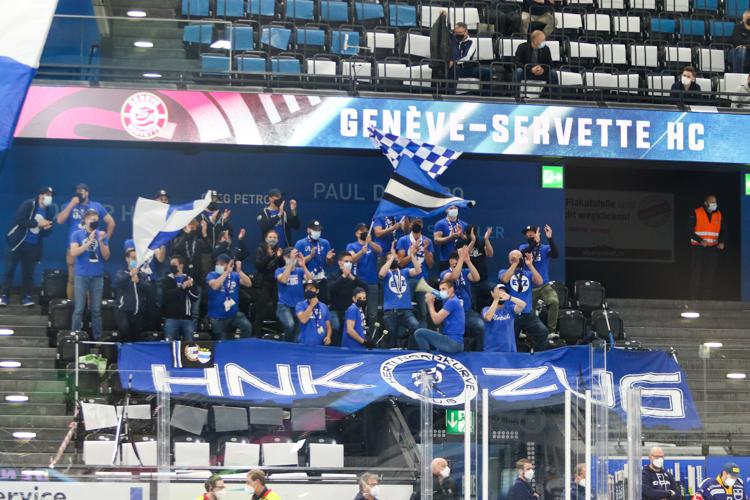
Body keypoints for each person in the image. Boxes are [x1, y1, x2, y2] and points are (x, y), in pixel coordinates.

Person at [56, 183, 115, 300]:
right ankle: (72, 305)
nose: (78, 193)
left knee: (89, 281)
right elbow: (59, 220)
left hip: (92, 248)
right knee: (72, 279)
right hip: (74, 247)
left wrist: (105, 240)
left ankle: (87, 309)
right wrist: (72, 204)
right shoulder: (69, 205)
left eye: (81, 191)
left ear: (87, 192)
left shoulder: (96, 206)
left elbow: (111, 222)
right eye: (76, 191)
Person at [1, 187, 54, 307]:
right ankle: (4, 295)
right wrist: (37, 223)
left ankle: (26, 297)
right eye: (47, 194)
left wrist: (46, 229)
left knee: (29, 273)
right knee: (9, 270)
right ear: (41, 195)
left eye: (51, 195)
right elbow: (20, 220)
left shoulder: (49, 211)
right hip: (18, 243)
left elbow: (46, 233)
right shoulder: (29, 204)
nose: (49, 197)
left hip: (33, 245)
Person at [69, 209, 110, 340]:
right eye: (92, 219)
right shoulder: (77, 234)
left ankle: (98, 338)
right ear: (85, 220)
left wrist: (101, 241)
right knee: (79, 308)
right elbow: (73, 252)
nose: (94, 221)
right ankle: (76, 336)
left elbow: (107, 256)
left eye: (96, 219)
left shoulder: (102, 235)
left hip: (97, 275)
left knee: (96, 310)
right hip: (81, 275)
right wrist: (88, 242)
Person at [499, 250, 548, 352]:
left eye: (519, 257)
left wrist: (530, 265)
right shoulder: (503, 272)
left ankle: (537, 356)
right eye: (514, 257)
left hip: (527, 313)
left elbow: (540, 282)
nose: (518, 259)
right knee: (511, 340)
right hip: (512, 314)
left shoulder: (528, 274)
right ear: (510, 260)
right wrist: (514, 264)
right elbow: (505, 280)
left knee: (543, 332)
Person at [170, 218, 212, 328]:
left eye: (194, 227)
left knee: (195, 311)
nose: (192, 229)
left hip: (197, 280)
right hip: (182, 280)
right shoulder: (179, 240)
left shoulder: (199, 242)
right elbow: (175, 250)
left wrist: (204, 233)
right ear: (184, 227)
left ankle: (192, 332)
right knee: (181, 308)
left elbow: (209, 249)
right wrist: (185, 234)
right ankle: (182, 331)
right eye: (190, 226)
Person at [518, 224, 559, 335]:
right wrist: (534, 242)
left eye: (532, 234)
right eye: (528, 235)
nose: (529, 236)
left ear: (538, 234)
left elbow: (555, 254)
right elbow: (523, 254)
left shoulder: (545, 248)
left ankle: (551, 331)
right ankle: (527, 332)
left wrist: (550, 238)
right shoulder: (523, 247)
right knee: (527, 310)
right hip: (529, 286)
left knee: (554, 301)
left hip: (544, 285)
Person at [379, 246, 422, 348]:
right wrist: (390, 260)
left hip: (406, 310)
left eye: (395, 258)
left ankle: (410, 348)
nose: (393, 259)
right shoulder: (386, 274)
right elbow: (381, 274)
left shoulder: (405, 271)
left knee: (416, 326)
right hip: (390, 310)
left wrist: (412, 256)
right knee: (391, 335)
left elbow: (418, 271)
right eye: (390, 259)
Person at [440, 246, 483, 346]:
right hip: (453, 314)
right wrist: (461, 258)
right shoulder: (445, 273)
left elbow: (477, 278)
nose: (458, 260)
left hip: (467, 312)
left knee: (480, 325)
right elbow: (454, 277)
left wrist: (468, 261)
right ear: (450, 261)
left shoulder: (464, 272)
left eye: (458, 258)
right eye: (455, 259)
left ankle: (478, 352)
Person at [205, 254, 253, 340]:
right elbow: (215, 286)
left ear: (228, 265)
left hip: (233, 314)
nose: (218, 266)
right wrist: (226, 272)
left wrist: (239, 271)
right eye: (217, 264)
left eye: (221, 264)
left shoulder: (234, 275)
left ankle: (242, 345)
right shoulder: (211, 275)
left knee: (247, 327)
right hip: (217, 316)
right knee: (222, 340)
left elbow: (248, 284)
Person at [396, 217, 433, 324]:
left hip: (423, 279)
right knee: (405, 309)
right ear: (410, 225)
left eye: (419, 222)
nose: (417, 224)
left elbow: (430, 264)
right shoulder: (403, 240)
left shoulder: (427, 241)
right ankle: (406, 332)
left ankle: (423, 332)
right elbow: (400, 263)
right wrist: (412, 254)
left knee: (424, 311)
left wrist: (425, 250)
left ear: (422, 225)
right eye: (415, 222)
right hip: (407, 279)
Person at [346, 223, 382, 332]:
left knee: (373, 313)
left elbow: (380, 250)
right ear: (357, 233)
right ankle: (358, 334)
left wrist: (369, 242)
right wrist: (362, 251)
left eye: (366, 230)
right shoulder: (351, 246)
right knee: (357, 310)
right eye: (362, 230)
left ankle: (372, 337)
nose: (365, 232)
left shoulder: (372, 244)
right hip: (358, 283)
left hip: (372, 282)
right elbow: (352, 260)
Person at [689, 195, 726, 300]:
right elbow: (688, 230)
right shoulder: (696, 212)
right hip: (698, 249)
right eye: (712, 202)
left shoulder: (718, 214)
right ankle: (693, 299)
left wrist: (722, 241)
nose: (714, 204)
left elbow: (724, 230)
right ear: (706, 203)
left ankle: (707, 300)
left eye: (715, 202)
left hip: (712, 250)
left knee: (709, 275)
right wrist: (700, 240)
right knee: (696, 274)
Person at [414, 280, 465, 353]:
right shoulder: (455, 300)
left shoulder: (452, 302)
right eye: (440, 290)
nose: (441, 292)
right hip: (458, 343)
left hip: (451, 343)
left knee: (419, 333)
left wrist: (430, 303)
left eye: (444, 289)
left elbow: (436, 320)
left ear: (451, 289)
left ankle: (426, 357)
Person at [328, 252, 368, 343]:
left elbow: (365, 287)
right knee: (336, 326)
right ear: (340, 263)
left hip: (350, 310)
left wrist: (351, 277)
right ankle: (334, 347)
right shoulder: (333, 276)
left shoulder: (353, 277)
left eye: (350, 262)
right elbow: (331, 289)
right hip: (335, 309)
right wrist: (343, 276)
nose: (349, 264)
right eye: (346, 261)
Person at [113, 249, 152, 341]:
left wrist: (139, 282)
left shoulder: (143, 275)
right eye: (133, 258)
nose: (135, 260)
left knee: (136, 337)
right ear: (127, 259)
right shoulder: (121, 273)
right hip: (123, 310)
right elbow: (117, 283)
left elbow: (149, 289)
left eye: (137, 258)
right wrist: (129, 275)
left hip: (138, 312)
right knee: (124, 331)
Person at [275, 247, 313, 341]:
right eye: (291, 256)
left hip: (298, 305)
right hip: (284, 305)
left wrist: (303, 266)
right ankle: (285, 343)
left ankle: (293, 346)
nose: (294, 259)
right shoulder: (279, 271)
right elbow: (284, 280)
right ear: (285, 257)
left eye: (295, 257)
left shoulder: (299, 271)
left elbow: (311, 280)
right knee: (290, 325)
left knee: (298, 331)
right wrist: (290, 264)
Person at [295, 220, 335, 302]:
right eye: (314, 229)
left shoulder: (325, 243)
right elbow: (296, 264)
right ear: (308, 230)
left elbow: (330, 264)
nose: (317, 231)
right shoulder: (300, 243)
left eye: (318, 230)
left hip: (321, 280)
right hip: (306, 281)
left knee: (323, 304)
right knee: (307, 305)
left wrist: (329, 259)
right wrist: (310, 256)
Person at [254, 229, 284, 335]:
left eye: (274, 237)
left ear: (278, 240)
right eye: (270, 237)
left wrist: (280, 257)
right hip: (263, 283)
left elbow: (282, 265)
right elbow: (259, 266)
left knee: (278, 308)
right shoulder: (260, 249)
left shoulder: (278, 250)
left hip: (275, 283)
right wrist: (269, 256)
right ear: (266, 239)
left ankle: (279, 334)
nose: (272, 239)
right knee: (260, 310)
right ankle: (257, 335)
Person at [162, 255, 199, 341]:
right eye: (171, 264)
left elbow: (195, 297)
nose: (172, 266)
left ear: (181, 265)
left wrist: (189, 287)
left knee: (189, 345)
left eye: (174, 264)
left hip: (187, 319)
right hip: (171, 318)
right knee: (169, 344)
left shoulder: (189, 279)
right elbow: (166, 296)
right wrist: (182, 287)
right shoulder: (167, 279)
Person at [513, 30, 559, 98]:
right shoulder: (522, 47)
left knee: (553, 73)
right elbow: (517, 62)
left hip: (541, 73)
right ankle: (515, 97)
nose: (544, 42)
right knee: (518, 71)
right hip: (527, 72)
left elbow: (550, 64)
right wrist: (531, 69)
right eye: (542, 40)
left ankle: (555, 98)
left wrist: (543, 69)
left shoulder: (546, 49)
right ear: (534, 40)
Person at [482, 284, 526, 352]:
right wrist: (496, 299)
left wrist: (510, 297)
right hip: (492, 351)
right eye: (499, 292)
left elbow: (523, 305)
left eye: (504, 292)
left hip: (509, 350)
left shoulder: (510, 309)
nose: (501, 294)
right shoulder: (486, 309)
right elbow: (488, 318)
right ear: (493, 294)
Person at [296, 280, 333, 346]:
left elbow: (328, 326)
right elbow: (303, 320)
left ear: (317, 290)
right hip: (304, 344)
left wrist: (328, 336)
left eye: (311, 288)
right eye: (306, 289)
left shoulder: (324, 306)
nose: (308, 290)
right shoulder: (300, 305)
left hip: (321, 345)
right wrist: (311, 305)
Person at [433, 205, 469, 272]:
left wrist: (461, 235)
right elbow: (436, 240)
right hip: (446, 259)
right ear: (446, 210)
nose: (453, 210)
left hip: (461, 259)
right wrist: (449, 238)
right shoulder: (440, 223)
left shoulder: (464, 224)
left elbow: (469, 241)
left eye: (455, 208)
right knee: (446, 278)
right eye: (451, 208)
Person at [466, 225, 494, 309]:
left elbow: (490, 254)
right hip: (470, 282)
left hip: (483, 280)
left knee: (495, 290)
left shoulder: (481, 241)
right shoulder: (464, 242)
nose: (473, 235)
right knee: (472, 304)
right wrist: (473, 241)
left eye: (474, 233)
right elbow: (465, 255)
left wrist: (486, 239)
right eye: (471, 234)